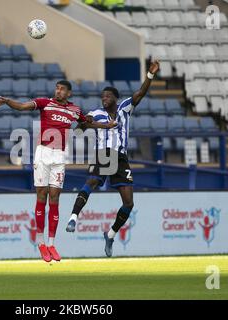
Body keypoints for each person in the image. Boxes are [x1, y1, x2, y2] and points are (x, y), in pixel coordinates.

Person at [0, 80, 117, 263]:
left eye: (62, 89)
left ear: (69, 93)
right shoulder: (45, 103)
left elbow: (87, 124)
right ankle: (41, 243)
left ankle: (51, 244)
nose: (58, 91)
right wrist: (8, 101)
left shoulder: (74, 110)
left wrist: (106, 126)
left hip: (59, 156)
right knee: (42, 195)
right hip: (43, 153)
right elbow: (23, 106)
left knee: (55, 198)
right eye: (57, 88)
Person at [65, 61, 160, 257]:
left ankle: (110, 234)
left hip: (121, 158)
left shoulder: (125, 108)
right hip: (103, 154)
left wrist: (150, 76)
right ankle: (73, 217)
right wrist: (85, 123)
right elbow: (79, 130)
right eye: (102, 97)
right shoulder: (96, 114)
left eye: (108, 96)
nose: (104, 99)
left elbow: (140, 93)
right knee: (91, 182)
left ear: (115, 98)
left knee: (129, 203)